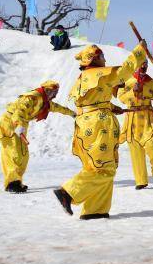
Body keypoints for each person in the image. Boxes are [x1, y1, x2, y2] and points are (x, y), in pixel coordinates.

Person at [52, 41, 147, 220]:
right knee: (105, 169)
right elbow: (124, 72)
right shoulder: (100, 74)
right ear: (94, 59)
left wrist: (111, 107)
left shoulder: (85, 77)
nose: (105, 60)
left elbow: (91, 102)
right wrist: (139, 52)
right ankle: (69, 192)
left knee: (95, 167)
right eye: (102, 56)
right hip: (98, 125)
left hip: (87, 123)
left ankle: (95, 209)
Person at [0, 81, 75, 193]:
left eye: (55, 92)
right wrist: (18, 125)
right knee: (14, 154)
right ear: (46, 90)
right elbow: (19, 112)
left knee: (23, 155)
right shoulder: (31, 98)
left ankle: (16, 181)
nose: (53, 94)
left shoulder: (45, 102)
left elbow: (58, 108)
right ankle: (12, 183)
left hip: (21, 125)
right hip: (11, 123)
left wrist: (73, 114)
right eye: (52, 91)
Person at [117, 61, 153, 189]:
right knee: (135, 150)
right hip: (132, 120)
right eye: (141, 64)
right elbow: (121, 97)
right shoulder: (127, 81)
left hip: (147, 118)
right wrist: (132, 93)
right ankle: (141, 181)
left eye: (145, 65)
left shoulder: (151, 82)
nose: (143, 67)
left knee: (152, 146)